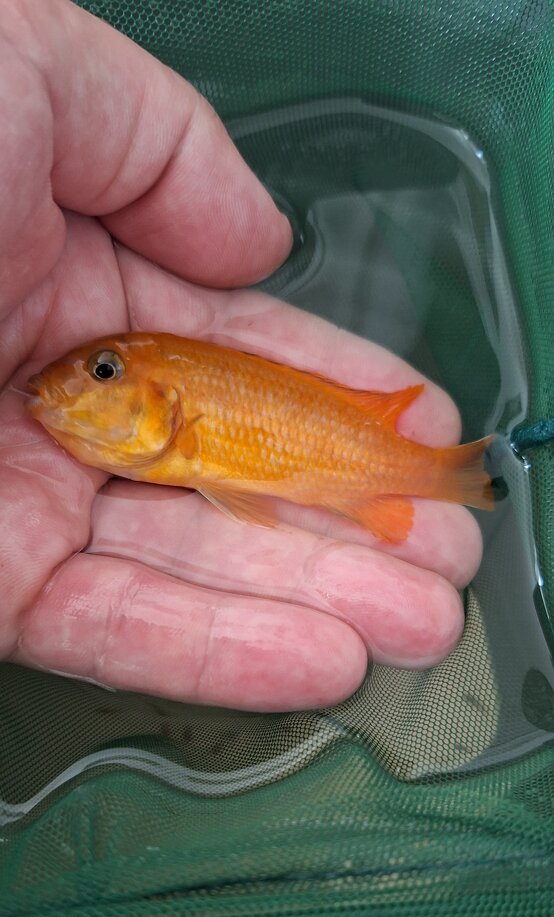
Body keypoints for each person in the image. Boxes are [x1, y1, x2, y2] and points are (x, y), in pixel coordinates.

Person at [0, 0, 482, 712]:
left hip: (356, 464)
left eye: (106, 370)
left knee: (431, 494)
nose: (84, 378)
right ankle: (462, 476)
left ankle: (459, 475)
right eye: (104, 368)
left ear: (165, 404)